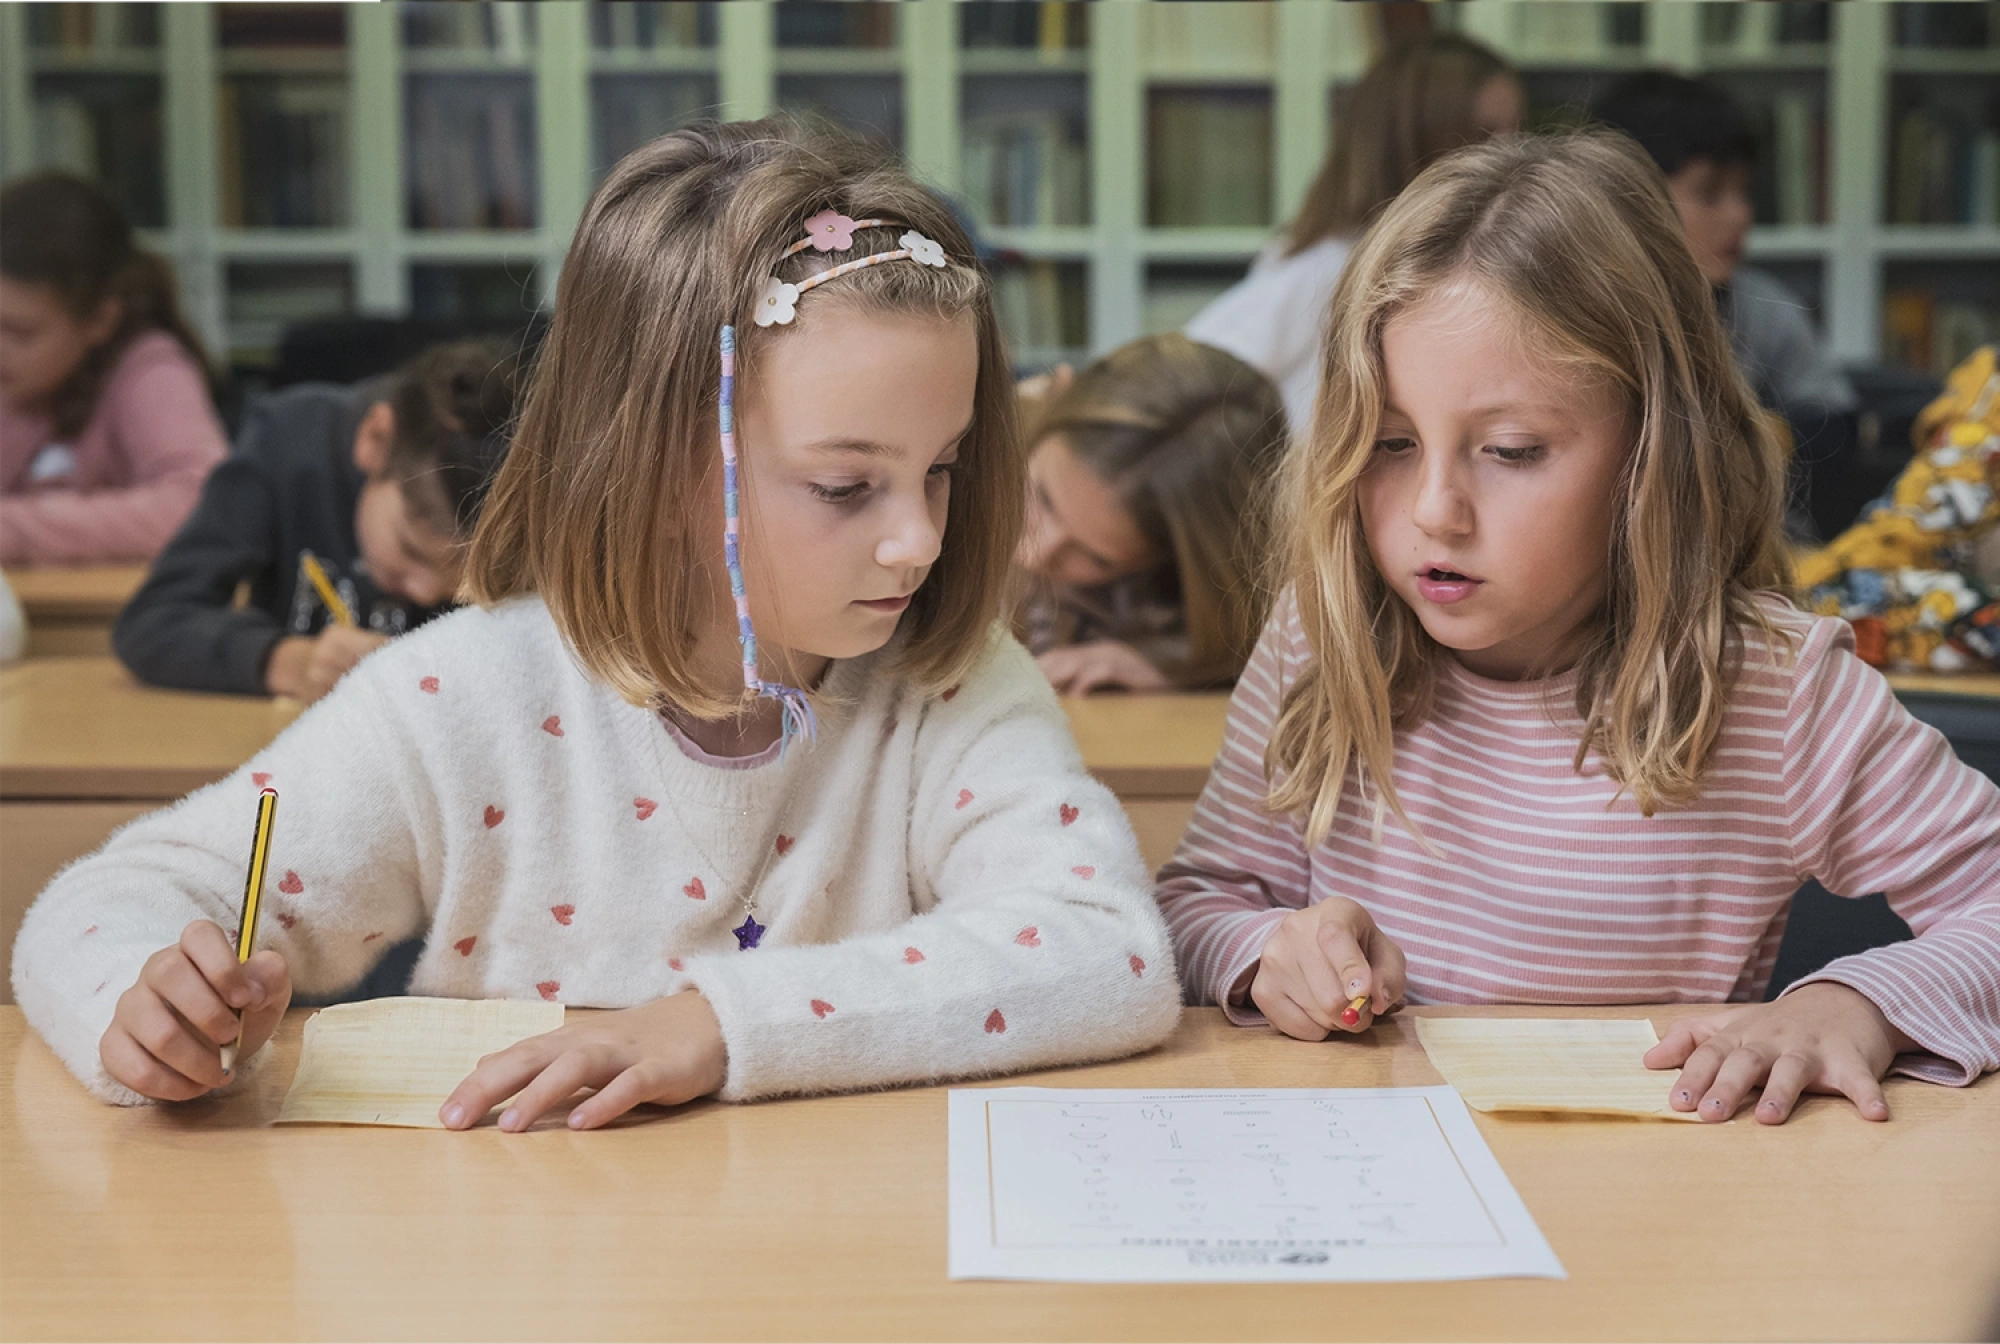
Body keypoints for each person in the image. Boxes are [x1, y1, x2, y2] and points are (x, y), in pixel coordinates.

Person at [13, 117, 1179, 1126]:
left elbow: (1109, 953)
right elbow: (102, 903)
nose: (919, 539)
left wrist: (712, 1028)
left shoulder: (955, 681)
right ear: (664, 462)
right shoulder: (466, 694)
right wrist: (141, 1000)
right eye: (844, 486)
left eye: (945, 468)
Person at [1156, 132, 2000, 1126]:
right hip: (1380, 1193)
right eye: (1388, 443)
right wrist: (1264, 955)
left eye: (1509, 450)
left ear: (1653, 451)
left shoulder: (1777, 690)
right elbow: (1191, 903)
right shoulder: (1321, 635)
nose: (1433, 508)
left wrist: (1850, 1005)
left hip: (1656, 1226)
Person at [114, 340, 523, 701]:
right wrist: (288, 661)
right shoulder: (288, 441)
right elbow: (154, 621)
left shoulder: (535, 501)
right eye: (410, 549)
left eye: (467, 578)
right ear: (375, 441)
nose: (428, 591)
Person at [1185, 33, 1521, 434]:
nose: (1510, 155)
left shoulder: (1451, 267)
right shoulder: (1333, 268)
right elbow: (1183, 380)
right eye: (1483, 135)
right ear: (1410, 142)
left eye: (1517, 132)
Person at [1015, 334, 1286, 695]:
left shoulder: (1259, 596)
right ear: (1060, 396)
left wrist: (1169, 665)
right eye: (1041, 496)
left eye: (1096, 559)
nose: (1031, 553)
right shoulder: (960, 434)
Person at [1592, 70, 1856, 418]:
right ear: (1627, 199)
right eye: (1709, 193)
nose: (1740, 215)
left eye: (1744, 191)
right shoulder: (1582, 315)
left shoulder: (1761, 308)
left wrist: (1773, 438)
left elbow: (1833, 415)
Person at [0, 173, 226, 565]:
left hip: (105, 621)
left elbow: (205, 504)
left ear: (99, 321)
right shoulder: (19, 382)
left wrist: (14, 529)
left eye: (20, 333)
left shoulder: (150, 372)